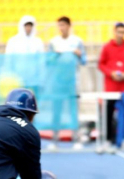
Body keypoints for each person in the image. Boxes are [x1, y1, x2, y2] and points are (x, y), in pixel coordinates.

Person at [49, 16, 87, 149]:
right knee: (57, 111)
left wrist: (79, 54)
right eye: (59, 25)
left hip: (73, 82)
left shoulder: (77, 41)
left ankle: (76, 139)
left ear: (69, 26)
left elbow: (84, 61)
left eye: (64, 25)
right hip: (58, 82)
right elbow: (48, 61)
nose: (61, 28)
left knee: (74, 111)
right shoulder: (53, 42)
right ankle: (55, 140)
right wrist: (55, 55)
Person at [98, 22, 124, 148]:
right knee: (108, 112)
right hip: (111, 87)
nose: (121, 35)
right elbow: (101, 64)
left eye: (123, 32)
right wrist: (111, 73)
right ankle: (108, 139)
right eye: (119, 32)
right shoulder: (107, 47)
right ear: (114, 32)